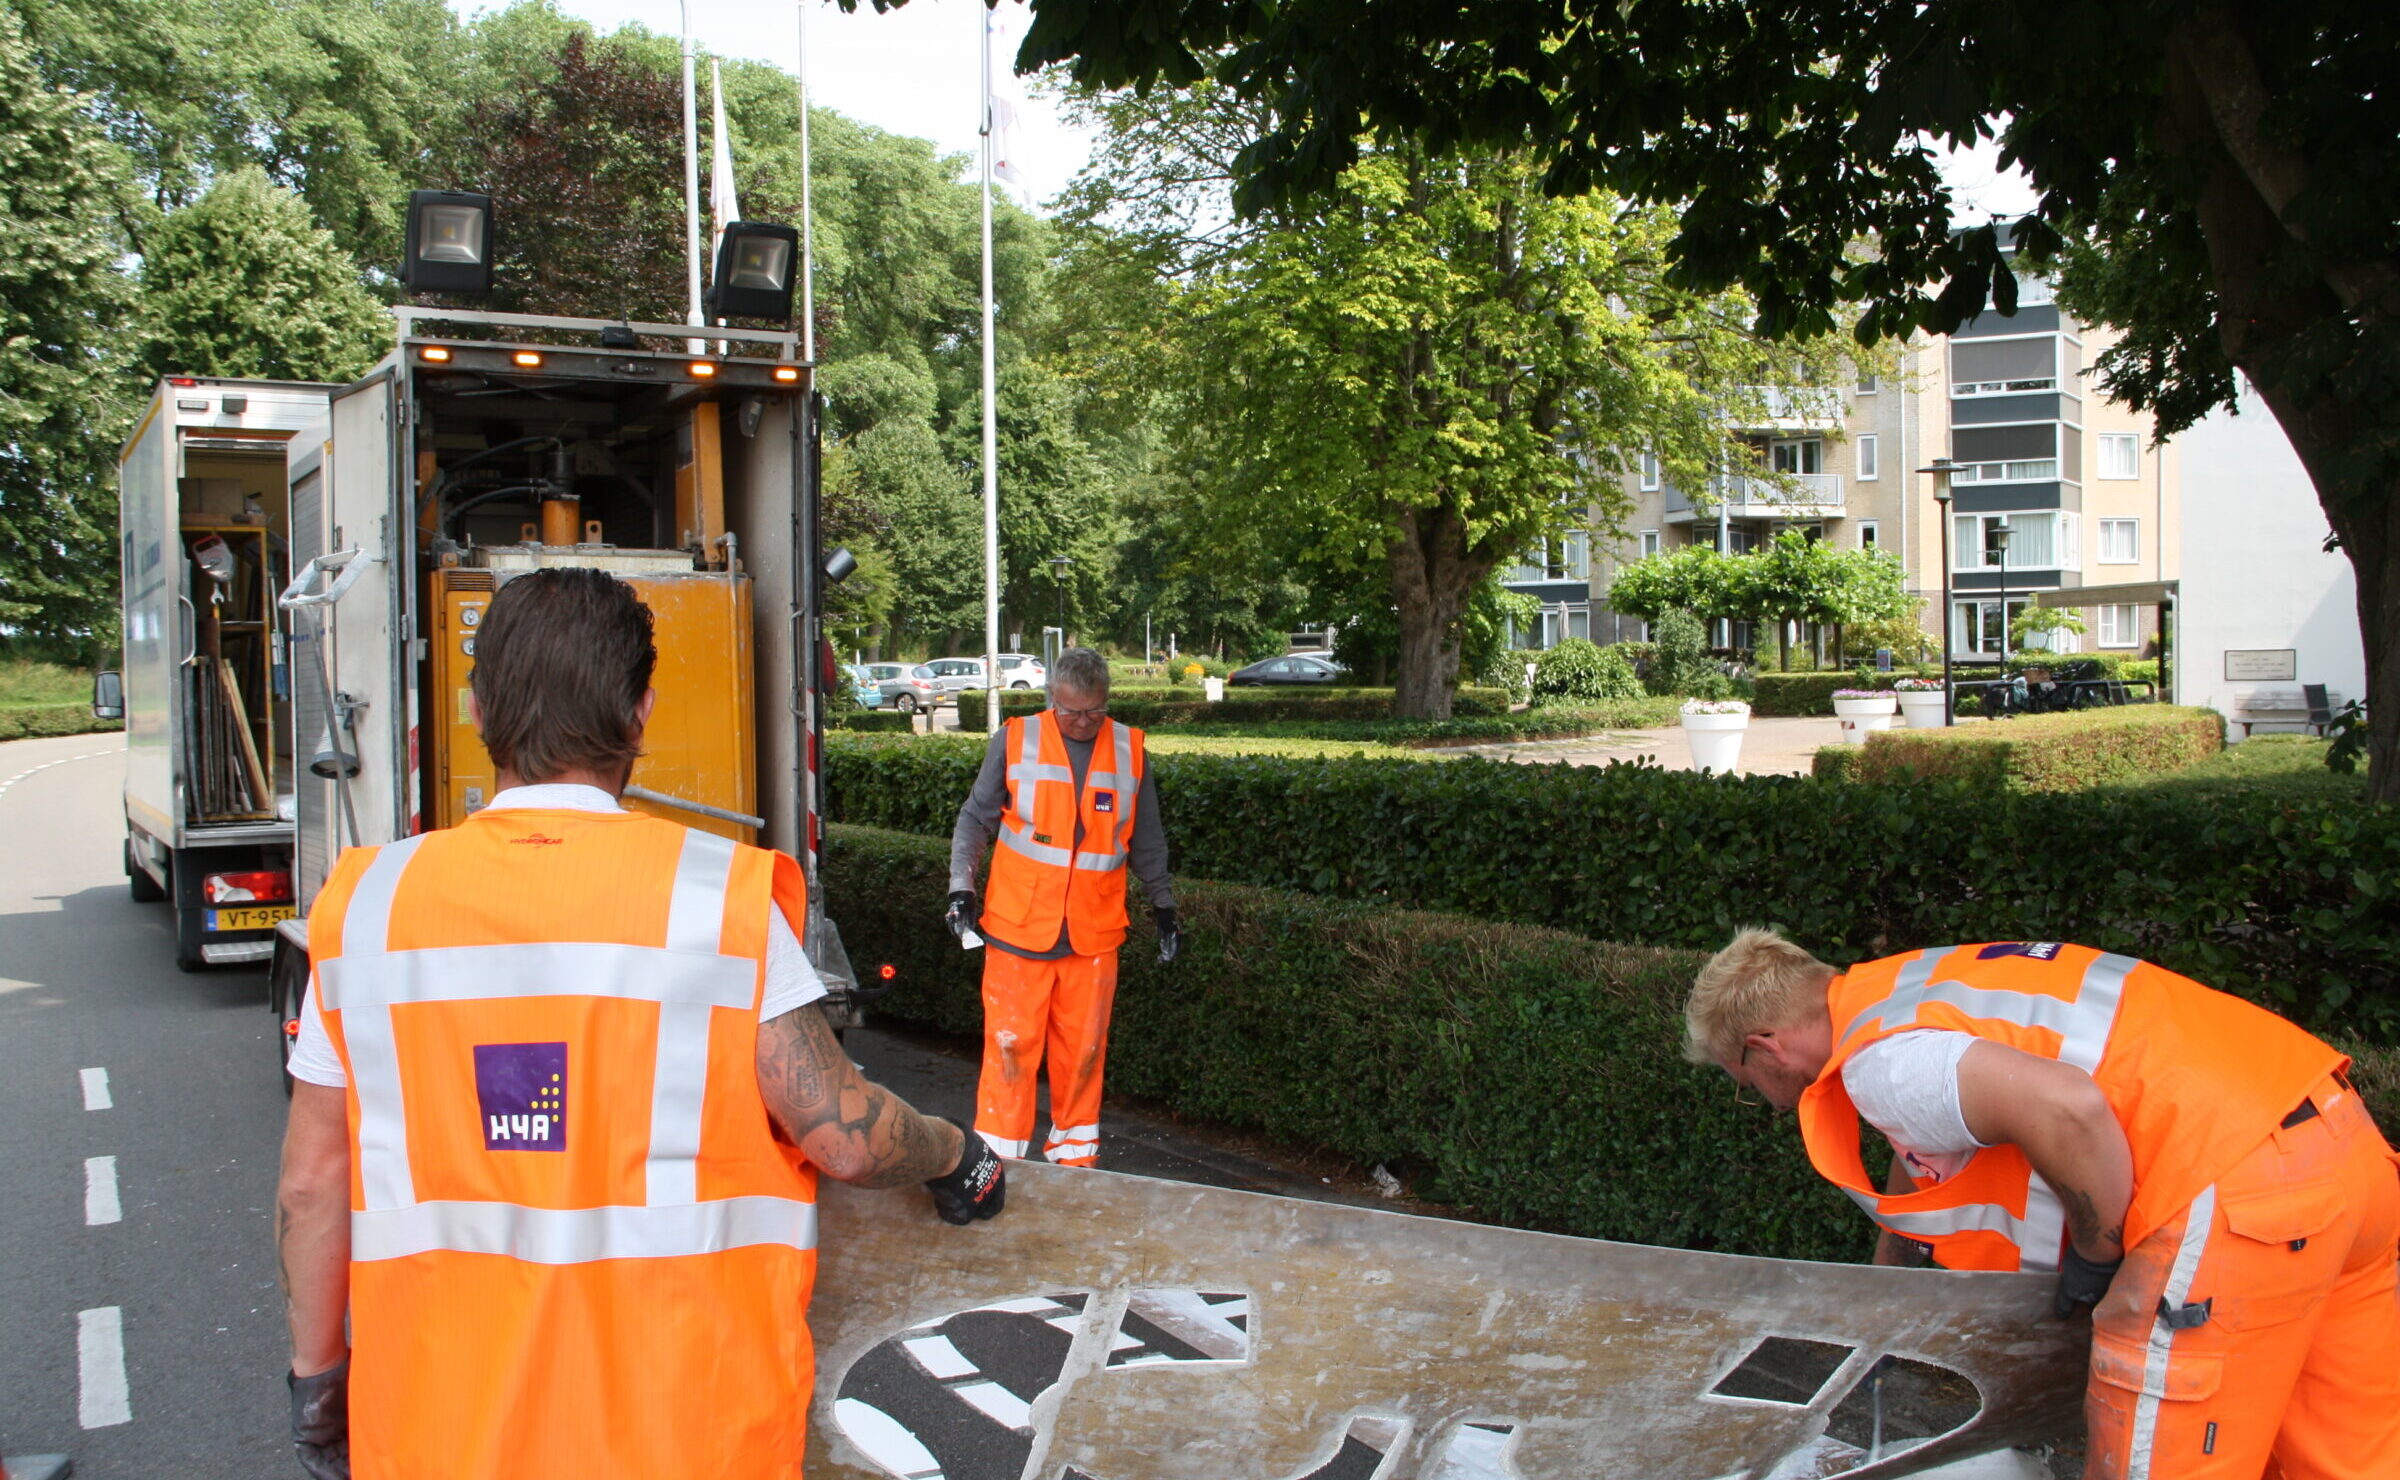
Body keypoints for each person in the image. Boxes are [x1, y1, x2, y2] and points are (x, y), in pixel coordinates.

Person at [272, 569, 1004, 1480]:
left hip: (437, 1434)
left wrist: (318, 1384)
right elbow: (843, 1136)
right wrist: (951, 1152)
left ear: (473, 709)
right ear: (641, 712)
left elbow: (311, 1187)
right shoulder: (717, 902)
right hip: (687, 1435)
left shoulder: (369, 907)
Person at [1686, 929, 2399, 1480]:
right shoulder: (1905, 990)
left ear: (1765, 1049)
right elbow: (1922, 1163)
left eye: (1741, 1080)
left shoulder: (1885, 1066)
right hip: (2334, 1142)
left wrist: (2097, 1252)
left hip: (2235, 1195)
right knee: (2344, 1454)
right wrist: (1886, 1303)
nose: (1756, 1098)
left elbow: (2070, 1109)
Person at [945, 646, 1177, 1167]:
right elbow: (975, 820)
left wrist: (1162, 905)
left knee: (1084, 1056)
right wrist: (961, 886)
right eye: (1072, 711)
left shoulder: (1130, 749)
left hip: (1092, 935)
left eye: (1094, 711)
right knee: (1009, 1050)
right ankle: (997, 1164)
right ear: (1052, 697)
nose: (1082, 722)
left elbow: (1148, 838)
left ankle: (1075, 1165)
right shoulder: (1015, 738)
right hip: (1018, 928)